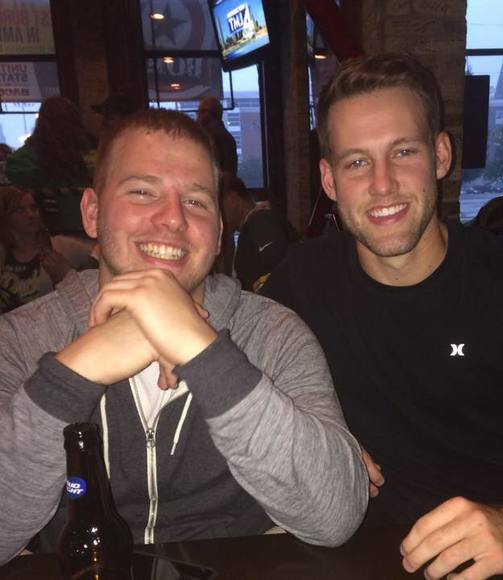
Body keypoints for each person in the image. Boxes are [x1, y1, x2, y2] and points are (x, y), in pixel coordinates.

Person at [0, 108, 367, 564]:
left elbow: (335, 516)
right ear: (92, 213)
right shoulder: (20, 339)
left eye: (195, 201)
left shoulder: (273, 332)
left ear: (218, 232)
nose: (172, 218)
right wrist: (78, 370)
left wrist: (203, 351)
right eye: (142, 192)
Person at [263, 53, 503, 579]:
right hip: (353, 558)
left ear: (440, 155)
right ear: (329, 180)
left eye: (403, 152)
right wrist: (318, 435)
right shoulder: (301, 279)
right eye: (357, 162)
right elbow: (232, 380)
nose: (382, 184)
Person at [6, 96, 97, 235]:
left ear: (41, 123)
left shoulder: (22, 161)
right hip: (90, 228)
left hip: (41, 232)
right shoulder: (94, 158)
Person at [0, 186, 95, 314]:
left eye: (33, 208)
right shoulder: (4, 253)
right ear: (5, 217)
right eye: (20, 210)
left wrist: (67, 274)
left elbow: (100, 253)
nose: (30, 215)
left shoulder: (61, 246)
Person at [220, 172, 300, 291]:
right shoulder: (251, 225)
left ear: (232, 199)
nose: (217, 215)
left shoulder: (260, 220)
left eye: (218, 205)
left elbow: (282, 268)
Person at [197, 97, 238, 174]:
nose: (198, 114)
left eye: (203, 111)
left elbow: (228, 171)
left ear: (215, 113)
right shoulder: (206, 136)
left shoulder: (223, 138)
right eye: (198, 111)